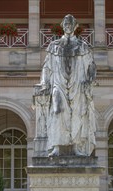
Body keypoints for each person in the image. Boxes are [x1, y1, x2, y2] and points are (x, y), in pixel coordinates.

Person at [39, 14, 97, 156]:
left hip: (77, 83)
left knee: (77, 114)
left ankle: (76, 147)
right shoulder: (54, 46)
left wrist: (90, 79)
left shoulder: (82, 46)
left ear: (75, 26)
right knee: (58, 110)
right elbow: (47, 67)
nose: (68, 26)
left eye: (70, 23)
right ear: (62, 26)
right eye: (66, 23)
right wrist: (45, 83)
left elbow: (91, 65)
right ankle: (57, 146)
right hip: (58, 83)